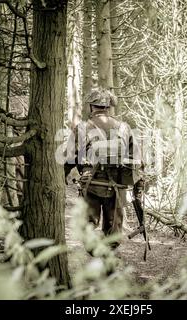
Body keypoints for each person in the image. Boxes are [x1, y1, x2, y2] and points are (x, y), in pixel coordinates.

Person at [64, 87, 142, 249]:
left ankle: (96, 260)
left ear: (92, 107)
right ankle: (107, 261)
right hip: (118, 186)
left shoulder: (83, 127)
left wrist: (63, 176)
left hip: (91, 184)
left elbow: (69, 157)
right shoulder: (124, 128)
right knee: (113, 235)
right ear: (108, 107)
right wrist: (138, 186)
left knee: (88, 229)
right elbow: (138, 160)